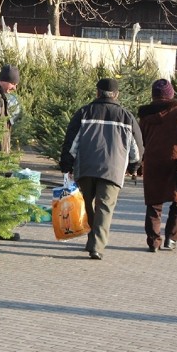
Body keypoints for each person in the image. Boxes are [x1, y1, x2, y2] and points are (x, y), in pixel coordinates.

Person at [59, 77, 143, 260]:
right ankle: (97, 246)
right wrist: (134, 166)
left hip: (86, 167)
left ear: (97, 92)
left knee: (87, 205)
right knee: (104, 208)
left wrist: (66, 165)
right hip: (113, 170)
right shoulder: (127, 117)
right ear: (116, 94)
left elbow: (71, 142)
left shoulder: (84, 112)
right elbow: (137, 147)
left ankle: (92, 240)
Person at [137, 78, 177, 253]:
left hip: (152, 163)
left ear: (153, 95)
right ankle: (171, 239)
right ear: (171, 94)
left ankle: (153, 241)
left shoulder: (145, 116)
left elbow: (140, 141)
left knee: (154, 204)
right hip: (175, 163)